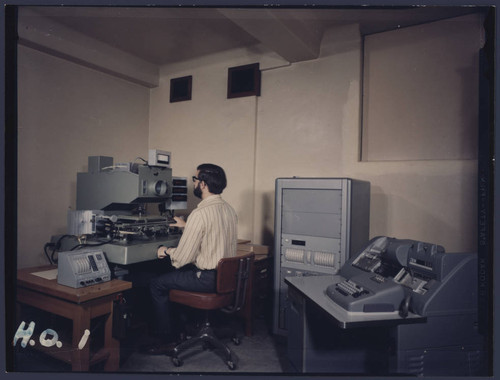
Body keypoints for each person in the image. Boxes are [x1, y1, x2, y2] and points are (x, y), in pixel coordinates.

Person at [145, 163, 238, 355]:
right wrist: (188, 226)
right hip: (225, 279)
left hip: (206, 279)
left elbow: (181, 259)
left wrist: (166, 250)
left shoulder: (200, 213)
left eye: (195, 180)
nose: (194, 183)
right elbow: (214, 233)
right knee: (174, 275)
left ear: (203, 184)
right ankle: (181, 329)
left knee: (157, 282)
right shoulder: (229, 210)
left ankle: (166, 340)